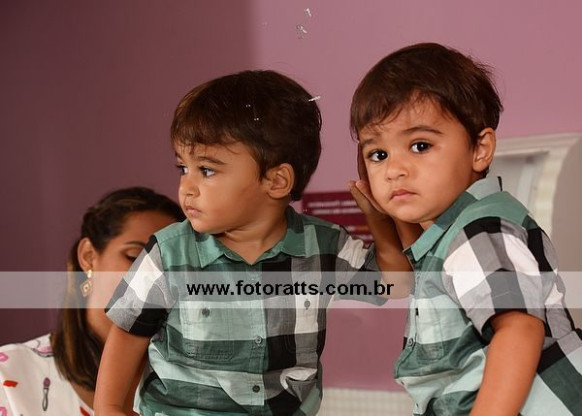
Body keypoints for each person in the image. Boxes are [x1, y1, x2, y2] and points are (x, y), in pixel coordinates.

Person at [94, 70, 413, 416]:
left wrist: (379, 217)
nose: (187, 187)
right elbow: (126, 336)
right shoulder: (168, 254)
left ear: (276, 181)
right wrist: (109, 409)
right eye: (183, 168)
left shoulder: (323, 246)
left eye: (207, 170)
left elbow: (397, 284)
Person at [350, 42, 582, 415]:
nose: (394, 169)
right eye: (378, 154)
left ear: (480, 149)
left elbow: (519, 330)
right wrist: (385, 215)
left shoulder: (478, 232)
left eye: (420, 145)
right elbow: (420, 269)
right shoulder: (453, 234)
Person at [0, 187, 184, 416]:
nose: (154, 278)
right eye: (134, 257)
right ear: (88, 256)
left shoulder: (196, 381)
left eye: (170, 266)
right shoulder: (9, 375)